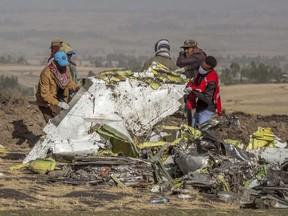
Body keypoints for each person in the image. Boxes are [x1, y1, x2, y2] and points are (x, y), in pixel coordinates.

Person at [36, 51, 77, 123]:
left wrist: (77, 89)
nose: (63, 66)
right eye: (61, 65)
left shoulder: (64, 70)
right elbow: (45, 95)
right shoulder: (46, 74)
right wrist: (59, 104)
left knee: (62, 121)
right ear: (56, 62)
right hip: (45, 102)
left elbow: (69, 82)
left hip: (57, 97)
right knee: (52, 124)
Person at [184, 56, 222, 128]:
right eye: (201, 66)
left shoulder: (211, 81)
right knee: (192, 130)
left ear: (209, 69)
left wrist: (193, 90)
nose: (201, 68)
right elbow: (195, 66)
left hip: (206, 111)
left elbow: (207, 99)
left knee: (201, 133)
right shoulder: (203, 71)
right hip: (199, 108)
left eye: (204, 68)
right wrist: (184, 69)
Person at [175, 39, 207, 126]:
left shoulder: (200, 56)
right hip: (189, 89)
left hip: (199, 90)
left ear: (194, 48)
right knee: (189, 112)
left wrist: (181, 56)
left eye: (188, 48)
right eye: (184, 49)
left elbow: (181, 61)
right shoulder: (189, 56)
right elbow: (179, 62)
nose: (185, 51)